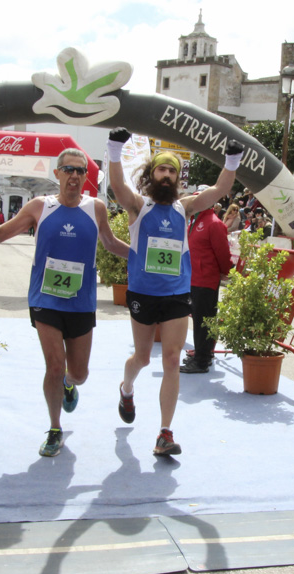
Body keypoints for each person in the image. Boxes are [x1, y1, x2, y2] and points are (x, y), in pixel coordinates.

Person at [0, 148, 129, 458]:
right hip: (46, 299)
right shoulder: (40, 206)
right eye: (68, 169)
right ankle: (55, 428)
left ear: (86, 177)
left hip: (81, 302)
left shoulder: (96, 208)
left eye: (80, 171)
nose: (74, 175)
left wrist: (140, 256)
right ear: (56, 173)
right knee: (54, 365)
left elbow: (109, 243)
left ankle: (71, 384)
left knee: (78, 373)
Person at [106, 126, 244, 456]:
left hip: (177, 294)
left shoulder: (186, 208)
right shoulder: (139, 206)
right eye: (162, 169)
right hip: (142, 293)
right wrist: (113, 150)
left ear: (178, 178)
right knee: (141, 357)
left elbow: (222, 188)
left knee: (171, 359)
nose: (167, 175)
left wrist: (232, 158)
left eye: (172, 170)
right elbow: (118, 187)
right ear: (152, 175)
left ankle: (164, 433)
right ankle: (127, 389)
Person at [180, 197, 232, 374]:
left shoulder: (213, 223)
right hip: (195, 278)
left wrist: (226, 270)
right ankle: (203, 354)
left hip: (205, 279)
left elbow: (223, 253)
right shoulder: (197, 221)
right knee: (201, 319)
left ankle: (202, 360)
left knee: (204, 321)